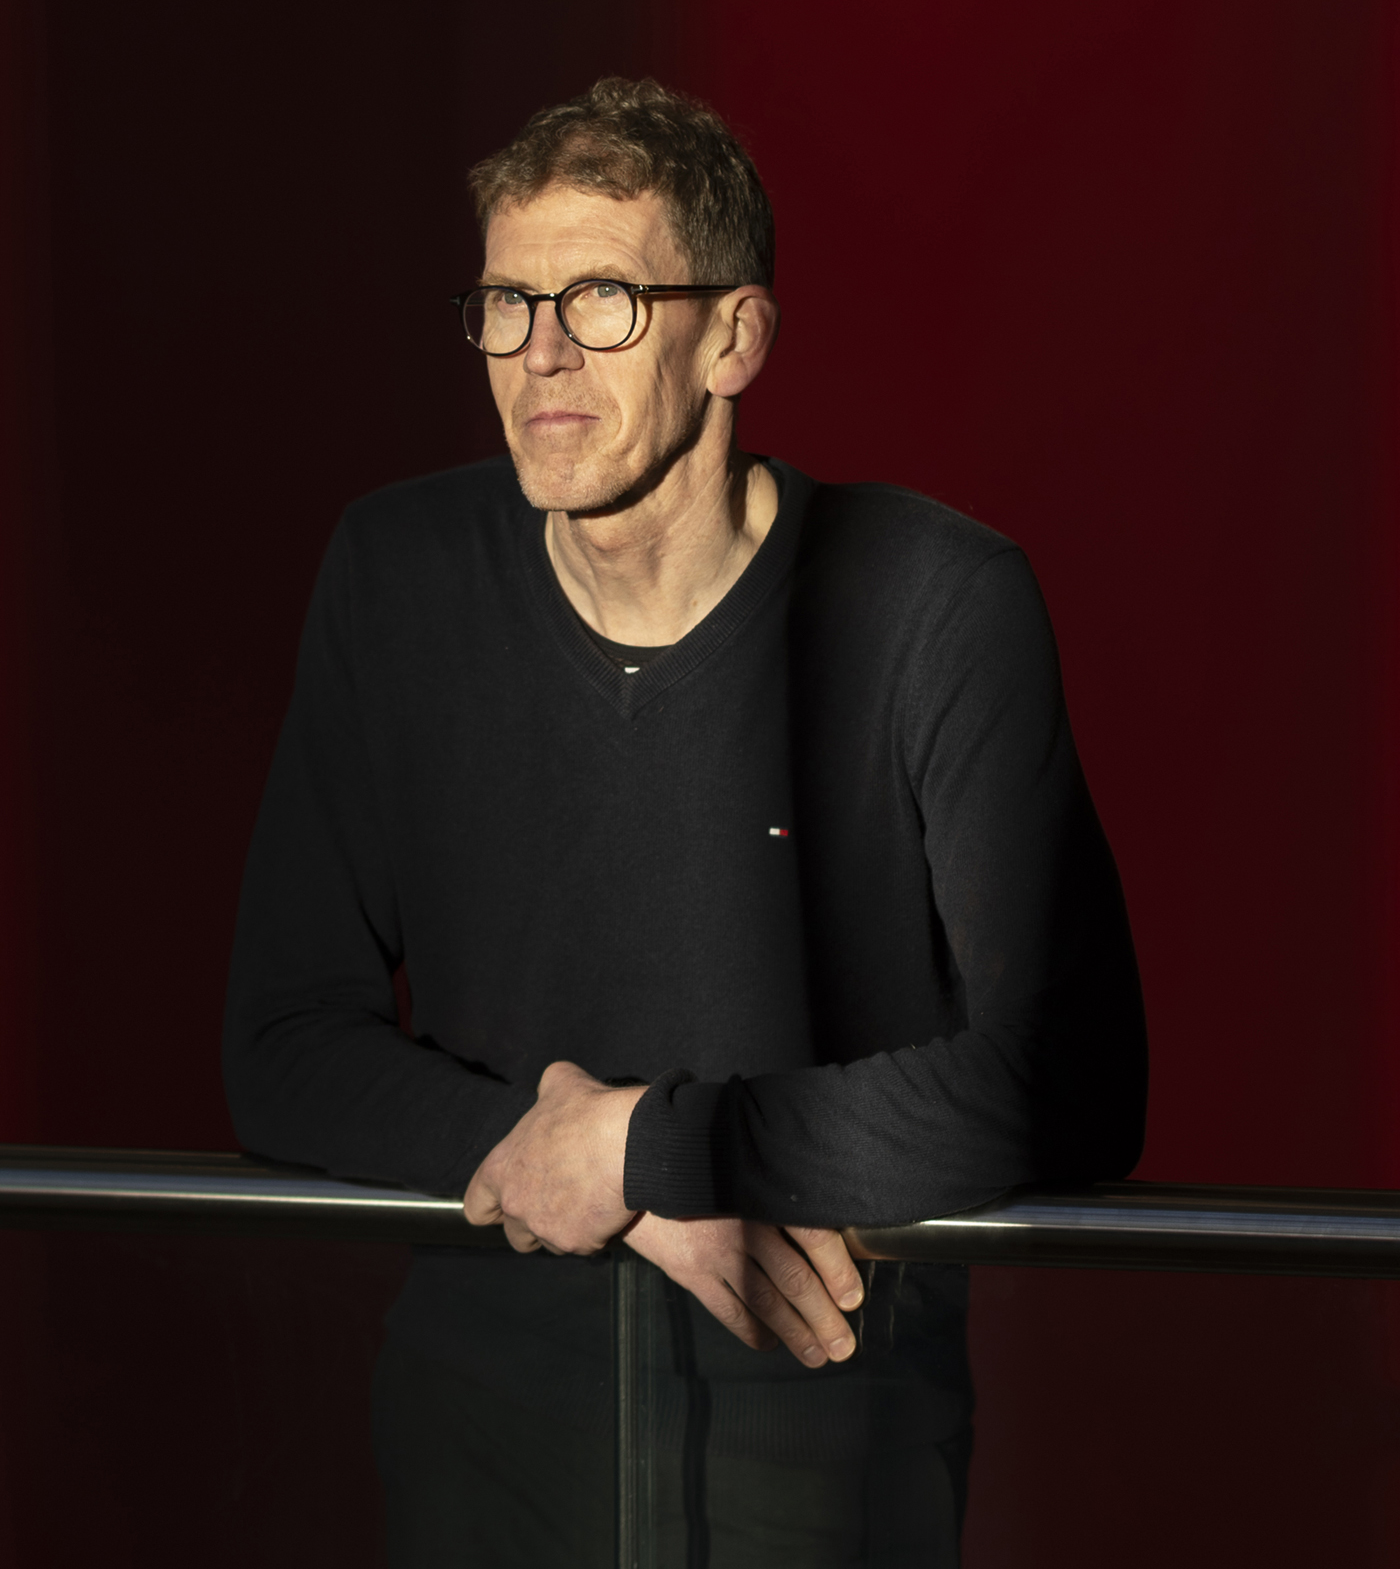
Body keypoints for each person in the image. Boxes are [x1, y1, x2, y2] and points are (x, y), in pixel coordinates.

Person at [223, 76, 1148, 1567]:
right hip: (478, 1427)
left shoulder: (934, 603)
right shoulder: (399, 574)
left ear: (733, 338)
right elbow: (278, 1047)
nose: (541, 353)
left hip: (819, 1435)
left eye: (601, 300)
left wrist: (653, 1149)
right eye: (507, 304)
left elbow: (1073, 1080)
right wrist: (596, 1169)